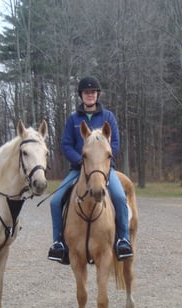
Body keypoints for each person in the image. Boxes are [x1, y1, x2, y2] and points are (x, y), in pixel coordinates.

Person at [47, 76, 133, 264]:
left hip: (104, 170)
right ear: (81, 95)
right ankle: (59, 243)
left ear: (97, 94)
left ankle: (123, 240)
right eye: (86, 92)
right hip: (79, 169)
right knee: (55, 201)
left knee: (119, 197)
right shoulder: (73, 120)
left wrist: (102, 160)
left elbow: (115, 143)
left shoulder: (108, 117)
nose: (90, 95)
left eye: (93, 92)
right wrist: (79, 160)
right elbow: (67, 144)